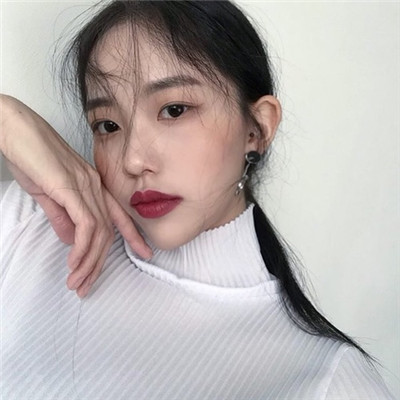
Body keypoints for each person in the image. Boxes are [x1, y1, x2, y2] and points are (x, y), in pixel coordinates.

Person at [0, 1, 396, 399]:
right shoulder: (30, 226)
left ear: (257, 130)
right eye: (108, 125)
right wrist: (6, 119)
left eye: (174, 110)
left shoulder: (330, 381)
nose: (133, 160)